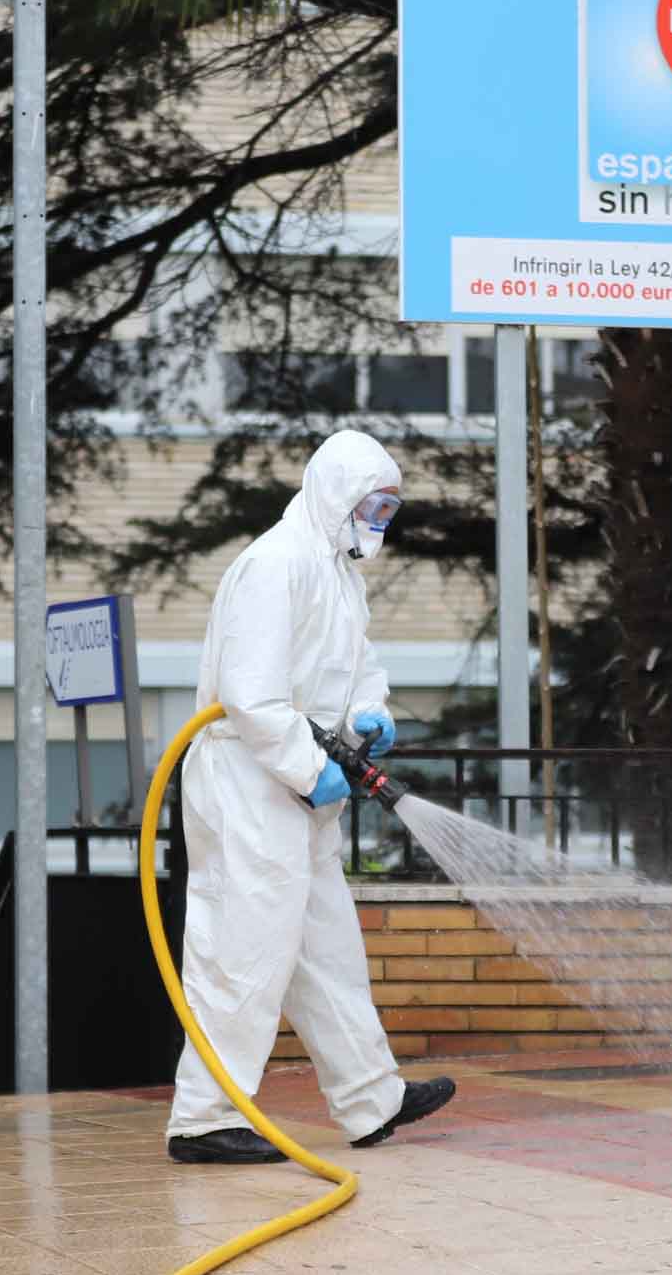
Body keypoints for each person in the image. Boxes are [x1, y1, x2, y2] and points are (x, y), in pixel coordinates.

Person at [164, 428, 457, 1164]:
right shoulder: (274, 565)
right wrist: (308, 764)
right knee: (243, 950)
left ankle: (371, 1098)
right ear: (337, 495)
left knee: (327, 950)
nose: (382, 522)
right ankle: (202, 1119)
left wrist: (370, 713)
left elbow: (358, 665)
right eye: (376, 506)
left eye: (390, 509)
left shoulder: (336, 574)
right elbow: (251, 696)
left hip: (298, 793)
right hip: (248, 785)